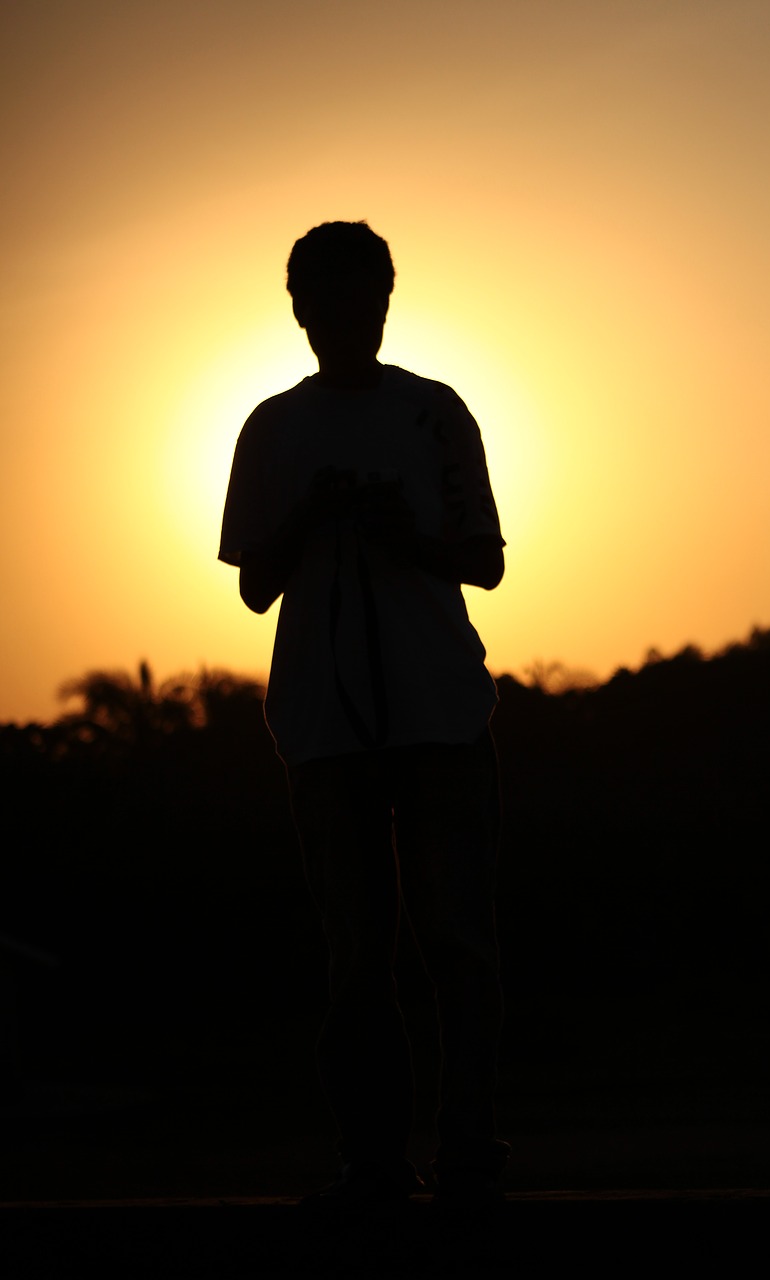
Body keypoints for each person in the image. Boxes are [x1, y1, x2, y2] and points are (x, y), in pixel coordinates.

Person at [219, 220, 509, 1209]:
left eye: (365, 296)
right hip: (323, 722)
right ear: (299, 306)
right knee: (357, 953)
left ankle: (468, 1153)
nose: (350, 316)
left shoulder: (434, 413)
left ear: (386, 298)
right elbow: (255, 583)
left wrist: (399, 531)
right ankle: (373, 1162)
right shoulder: (272, 427)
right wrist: (311, 519)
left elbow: (486, 560)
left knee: (454, 942)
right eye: (331, 299)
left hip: (439, 710)